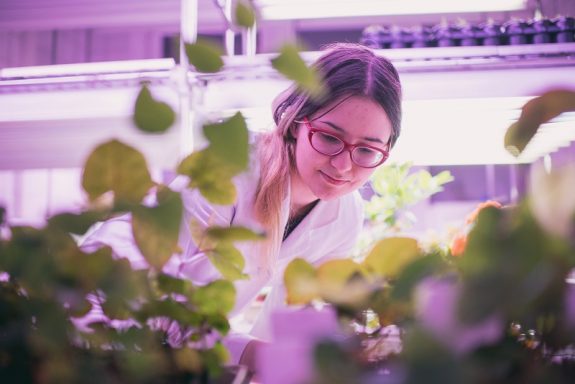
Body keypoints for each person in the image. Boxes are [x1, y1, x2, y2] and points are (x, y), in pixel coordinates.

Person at [79, 42, 402, 373]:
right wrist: (259, 357)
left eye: (367, 151)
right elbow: (166, 310)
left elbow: (295, 323)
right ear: (296, 123)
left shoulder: (345, 216)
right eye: (330, 138)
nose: (344, 166)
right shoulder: (232, 169)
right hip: (90, 315)